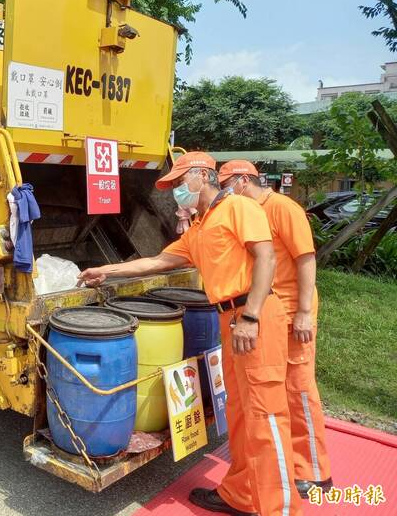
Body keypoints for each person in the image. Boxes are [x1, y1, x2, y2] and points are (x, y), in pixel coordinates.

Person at [79, 152, 301, 516]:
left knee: (266, 417)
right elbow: (158, 262)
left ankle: (281, 509)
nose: (176, 191)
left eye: (181, 183)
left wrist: (252, 315)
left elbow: (266, 258)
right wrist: (107, 270)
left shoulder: (238, 208)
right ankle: (241, 495)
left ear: (202, 175)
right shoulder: (200, 227)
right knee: (242, 414)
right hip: (228, 321)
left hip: (253, 318)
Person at [218, 160, 332, 498]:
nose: (223, 193)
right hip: (268, 312)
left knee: (298, 389)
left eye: (225, 184)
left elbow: (306, 259)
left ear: (242, 181)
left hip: (292, 311)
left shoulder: (282, 208)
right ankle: (283, 467)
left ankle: (313, 470)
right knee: (274, 393)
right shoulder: (246, 211)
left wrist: (304, 312)